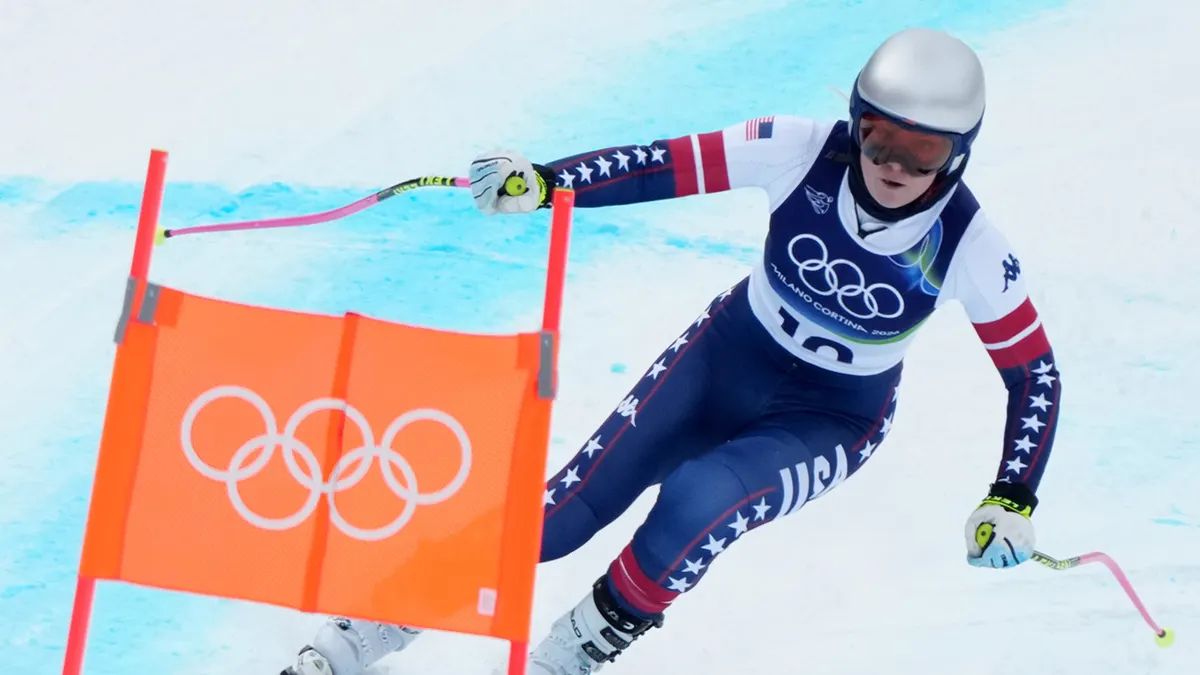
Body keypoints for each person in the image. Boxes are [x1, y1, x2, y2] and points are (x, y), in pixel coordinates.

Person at [283, 26, 1061, 675]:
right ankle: (361, 633)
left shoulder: (970, 245)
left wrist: (1012, 495)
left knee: (697, 500)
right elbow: (663, 164)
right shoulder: (799, 149)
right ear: (855, 120)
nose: (892, 166)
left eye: (922, 152)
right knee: (557, 517)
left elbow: (1034, 373)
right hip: (728, 355)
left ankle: (567, 656)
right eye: (879, 137)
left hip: (830, 417)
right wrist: (548, 182)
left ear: (958, 155)